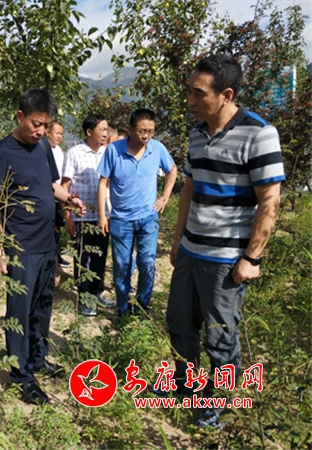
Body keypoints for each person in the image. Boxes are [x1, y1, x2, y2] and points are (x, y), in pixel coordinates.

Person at [166, 55, 285, 427]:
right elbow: (189, 188)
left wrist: (252, 258)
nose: (190, 100)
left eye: (198, 93)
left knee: (220, 336)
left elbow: (270, 200)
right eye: (189, 91)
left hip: (225, 260)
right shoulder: (196, 133)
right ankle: (187, 386)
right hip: (191, 250)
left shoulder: (258, 133)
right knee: (179, 323)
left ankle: (218, 403)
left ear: (226, 94)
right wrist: (178, 238)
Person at [0, 88, 86, 405]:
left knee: (42, 306)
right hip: (21, 247)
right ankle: (21, 376)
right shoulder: (1, 153)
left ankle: (38, 358)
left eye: (46, 125)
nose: (41, 131)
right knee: (20, 312)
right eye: (36, 124)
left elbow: (52, 186)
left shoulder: (42, 147)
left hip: (46, 242)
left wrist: (70, 200)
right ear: (20, 116)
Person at [97, 108, 177, 315]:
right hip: (120, 220)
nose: (146, 136)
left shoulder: (157, 149)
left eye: (150, 131)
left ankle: (142, 306)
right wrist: (102, 215)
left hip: (148, 217)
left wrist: (165, 196)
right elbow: (103, 183)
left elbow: (172, 169)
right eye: (142, 131)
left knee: (147, 263)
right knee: (122, 267)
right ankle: (123, 310)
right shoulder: (113, 150)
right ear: (130, 129)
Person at [61, 114, 115, 316]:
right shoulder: (74, 153)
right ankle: (84, 298)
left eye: (107, 129)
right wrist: (68, 217)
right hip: (82, 216)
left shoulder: (108, 153)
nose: (106, 133)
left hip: (104, 215)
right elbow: (64, 187)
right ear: (89, 132)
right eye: (102, 129)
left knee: (100, 256)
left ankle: (97, 292)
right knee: (83, 259)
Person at [46, 121, 71, 269]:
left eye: (61, 134)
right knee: (51, 226)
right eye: (57, 133)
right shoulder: (43, 149)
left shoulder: (59, 150)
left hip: (60, 194)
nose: (59, 136)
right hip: (49, 194)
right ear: (47, 132)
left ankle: (57, 254)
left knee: (57, 227)